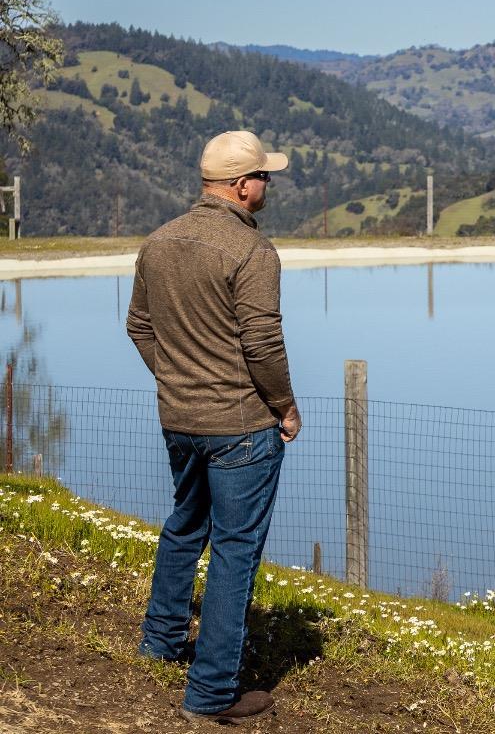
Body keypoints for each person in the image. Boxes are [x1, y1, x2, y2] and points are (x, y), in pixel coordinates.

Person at [126, 130, 301, 724]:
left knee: (184, 526)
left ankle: (160, 642)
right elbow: (262, 343)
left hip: (179, 419)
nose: (269, 185)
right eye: (265, 177)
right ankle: (210, 694)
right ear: (242, 185)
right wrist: (285, 406)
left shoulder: (159, 242)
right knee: (234, 550)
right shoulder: (253, 253)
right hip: (240, 428)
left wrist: (177, 380)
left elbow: (139, 327)